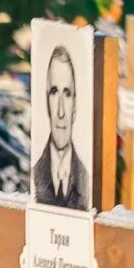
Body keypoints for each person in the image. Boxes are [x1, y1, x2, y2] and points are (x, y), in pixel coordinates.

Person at [31, 43, 92, 211]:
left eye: (67, 94)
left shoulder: (86, 178)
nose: (60, 111)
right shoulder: (35, 173)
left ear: (75, 104)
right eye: (53, 92)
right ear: (46, 101)